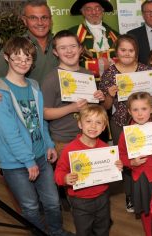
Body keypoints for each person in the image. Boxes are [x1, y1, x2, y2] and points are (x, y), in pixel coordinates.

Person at [0, 36, 70, 236]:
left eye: (27, 58)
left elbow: (39, 121)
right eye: (17, 58)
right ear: (7, 58)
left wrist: (48, 144)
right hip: (17, 163)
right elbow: (9, 132)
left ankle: (56, 232)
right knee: (30, 206)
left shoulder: (34, 86)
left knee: (53, 202)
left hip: (41, 156)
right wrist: (29, 161)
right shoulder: (1, 92)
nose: (23, 62)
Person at [99, 34, 149, 213]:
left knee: (144, 158)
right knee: (127, 161)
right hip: (120, 123)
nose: (127, 53)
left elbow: (151, 100)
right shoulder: (110, 73)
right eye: (123, 50)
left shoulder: (145, 69)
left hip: (143, 123)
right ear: (116, 52)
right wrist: (110, 95)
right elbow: (105, 106)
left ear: (136, 52)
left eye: (131, 50)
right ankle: (129, 194)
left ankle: (144, 191)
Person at [54, 105, 123, 236]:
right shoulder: (70, 149)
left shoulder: (105, 149)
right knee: (83, 231)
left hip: (102, 196)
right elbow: (58, 172)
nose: (93, 126)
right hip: (80, 200)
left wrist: (117, 166)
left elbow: (111, 170)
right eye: (88, 121)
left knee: (103, 228)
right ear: (80, 124)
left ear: (103, 128)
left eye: (98, 122)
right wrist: (64, 178)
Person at [43, 30, 105, 159]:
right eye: (63, 48)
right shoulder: (51, 78)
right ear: (55, 52)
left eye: (73, 46)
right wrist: (71, 108)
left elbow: (92, 108)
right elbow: (45, 113)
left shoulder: (88, 75)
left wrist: (99, 98)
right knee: (69, 178)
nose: (69, 51)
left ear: (80, 49)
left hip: (90, 137)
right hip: (64, 141)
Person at [119, 92, 152, 235]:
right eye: (135, 110)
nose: (140, 114)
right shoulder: (127, 133)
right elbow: (121, 156)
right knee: (145, 210)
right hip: (140, 178)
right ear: (129, 111)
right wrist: (132, 162)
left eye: (144, 109)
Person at [0, 0, 58, 84]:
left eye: (44, 17)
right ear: (25, 21)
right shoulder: (14, 46)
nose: (40, 23)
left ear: (51, 20)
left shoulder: (61, 44)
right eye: (33, 18)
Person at [69, 0, 119, 78]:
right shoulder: (72, 34)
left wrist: (112, 64)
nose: (94, 12)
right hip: (85, 84)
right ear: (82, 12)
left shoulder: (115, 35)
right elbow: (67, 61)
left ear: (103, 10)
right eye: (88, 9)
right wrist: (96, 66)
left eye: (97, 8)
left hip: (112, 84)